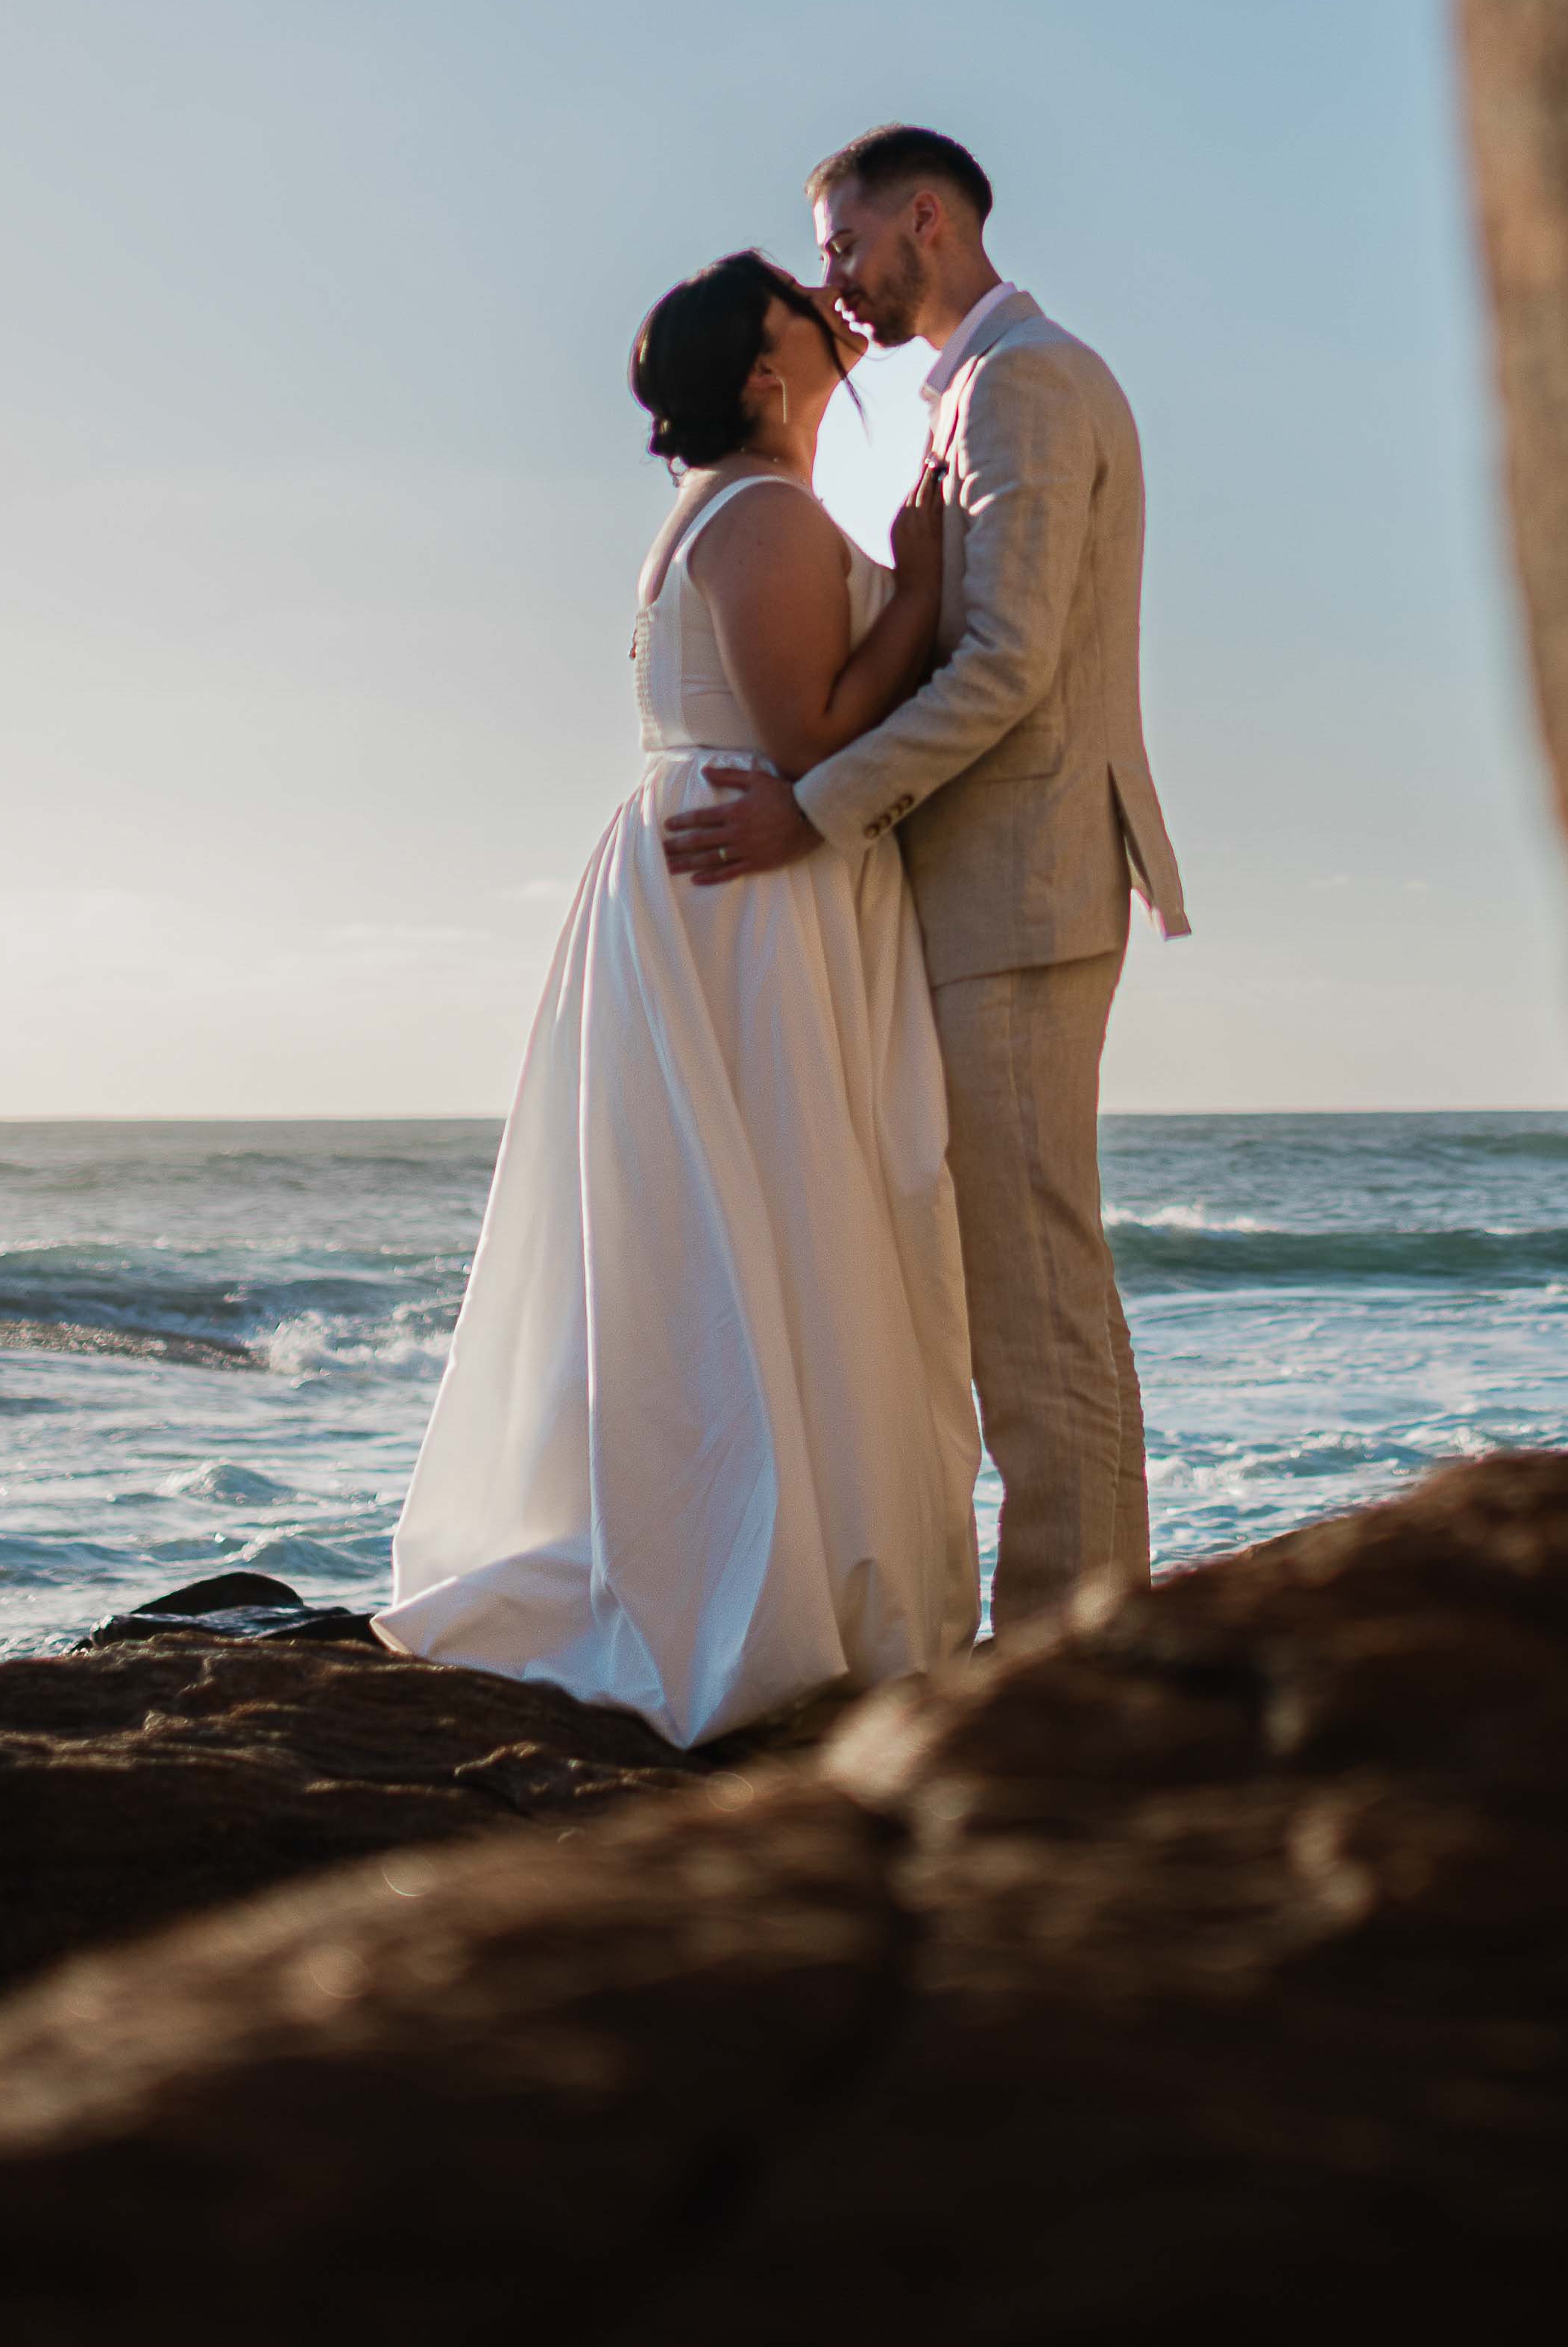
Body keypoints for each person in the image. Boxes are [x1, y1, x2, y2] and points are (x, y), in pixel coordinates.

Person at [377, 251, 980, 1743]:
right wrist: (920, 578)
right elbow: (814, 724)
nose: (837, 326)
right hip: (749, 892)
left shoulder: (729, 507)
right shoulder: (767, 513)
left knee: (736, 1222)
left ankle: (744, 1549)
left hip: (714, 881)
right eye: (805, 316)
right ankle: (764, 1587)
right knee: (783, 1203)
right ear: (768, 378)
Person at [666, 128, 1187, 1633]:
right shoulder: (968, 390)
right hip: (981, 892)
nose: (832, 279)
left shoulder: (1024, 381)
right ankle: (1072, 1632)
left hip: (1020, 886)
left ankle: (1069, 1652)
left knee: (1033, 1291)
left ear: (928, 219)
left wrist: (817, 811)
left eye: (842, 244)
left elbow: (1013, 662)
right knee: (1017, 1285)